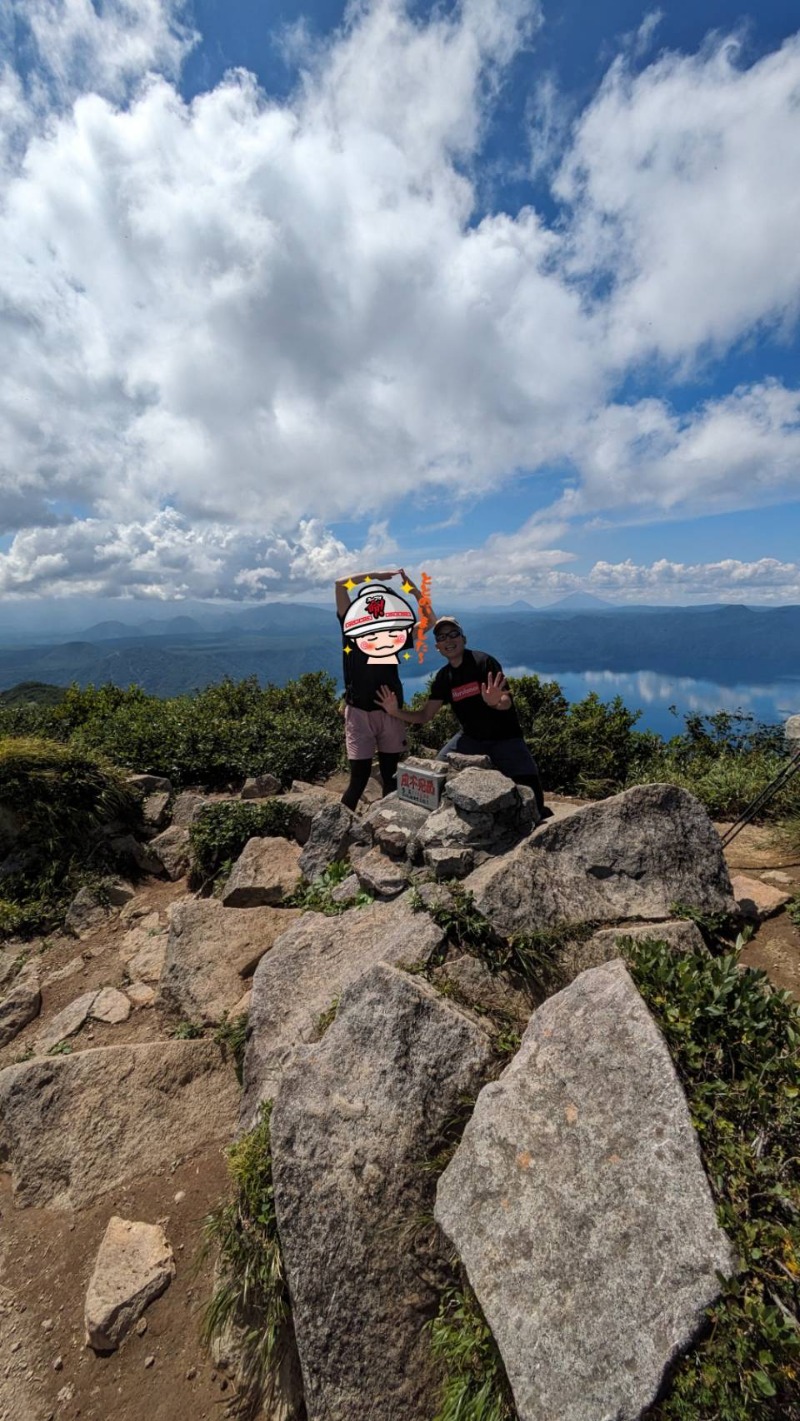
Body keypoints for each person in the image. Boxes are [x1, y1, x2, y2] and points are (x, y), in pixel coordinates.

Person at [375, 615, 551, 819]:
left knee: (535, 802)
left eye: (453, 634)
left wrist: (495, 701)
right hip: (469, 738)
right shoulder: (443, 678)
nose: (448, 640)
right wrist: (395, 712)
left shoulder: (483, 662)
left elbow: (506, 702)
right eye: (442, 637)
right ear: (437, 647)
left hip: (506, 737)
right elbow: (425, 715)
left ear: (463, 639)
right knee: (435, 776)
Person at [335, 568, 426, 810]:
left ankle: (387, 827)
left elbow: (431, 622)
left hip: (390, 712)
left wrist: (413, 590)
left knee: (390, 776)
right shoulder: (351, 631)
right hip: (359, 713)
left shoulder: (394, 635)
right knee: (359, 779)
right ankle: (338, 830)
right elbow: (340, 584)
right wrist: (373, 576)